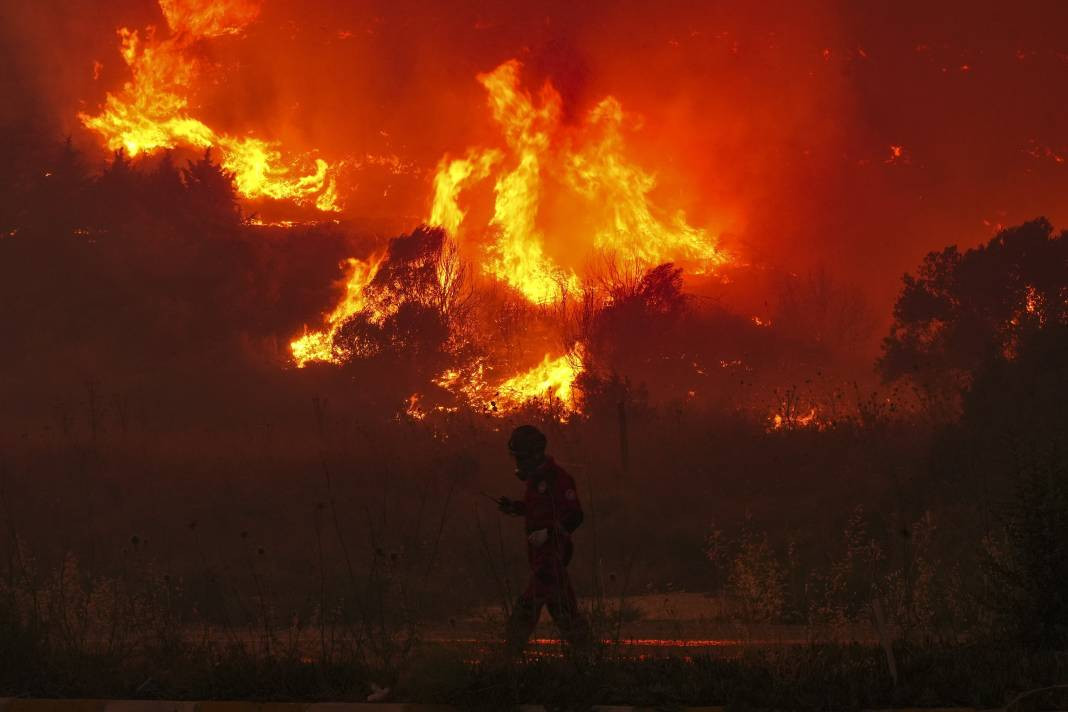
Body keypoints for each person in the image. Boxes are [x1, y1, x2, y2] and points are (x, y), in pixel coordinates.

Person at [497, 424, 591, 657]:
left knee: (526, 609)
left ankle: (505, 662)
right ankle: (593, 659)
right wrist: (515, 508)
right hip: (540, 558)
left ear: (534, 455)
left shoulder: (558, 479)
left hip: (551, 559)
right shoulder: (535, 481)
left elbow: (575, 516)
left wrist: (549, 533)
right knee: (565, 614)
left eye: (520, 458)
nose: (518, 463)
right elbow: (537, 509)